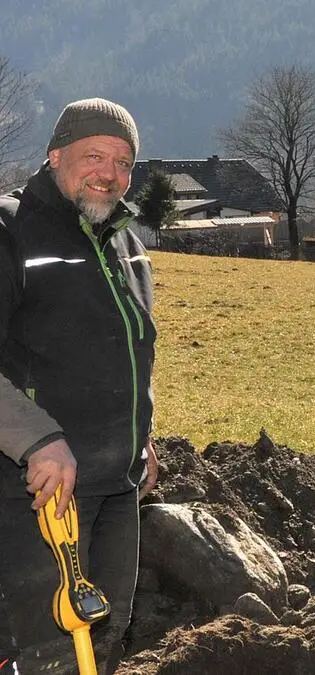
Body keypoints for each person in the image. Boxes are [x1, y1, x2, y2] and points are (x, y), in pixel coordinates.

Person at [0, 98, 157, 675]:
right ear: (55, 155)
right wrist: (37, 439)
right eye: (94, 155)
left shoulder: (126, 243)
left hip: (119, 488)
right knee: (50, 653)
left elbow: (126, 353)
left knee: (105, 641)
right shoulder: (11, 230)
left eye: (123, 162)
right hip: (36, 492)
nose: (109, 174)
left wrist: (142, 436)